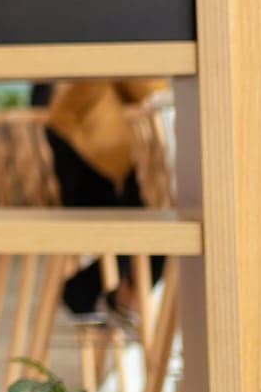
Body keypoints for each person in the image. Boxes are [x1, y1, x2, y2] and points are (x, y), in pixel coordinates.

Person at [36, 79, 171, 318]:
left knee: (158, 217)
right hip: (85, 153)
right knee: (160, 220)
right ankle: (109, 299)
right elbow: (149, 88)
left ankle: (115, 299)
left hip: (87, 150)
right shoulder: (127, 52)